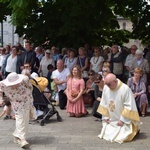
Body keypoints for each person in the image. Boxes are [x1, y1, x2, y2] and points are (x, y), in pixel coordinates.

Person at [97, 73, 140, 144]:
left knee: (123, 136)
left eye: (109, 84)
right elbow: (104, 102)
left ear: (115, 81)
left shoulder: (125, 89)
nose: (107, 86)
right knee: (107, 133)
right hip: (111, 120)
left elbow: (129, 106)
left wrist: (122, 120)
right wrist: (105, 117)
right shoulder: (106, 88)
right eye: (106, 84)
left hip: (122, 120)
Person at [0, 72, 36, 148]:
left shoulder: (24, 79)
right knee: (20, 118)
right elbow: (0, 90)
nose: (14, 85)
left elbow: (31, 88)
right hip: (16, 102)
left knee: (25, 119)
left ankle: (17, 137)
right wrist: (1, 99)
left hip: (27, 101)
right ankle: (22, 139)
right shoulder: (3, 84)